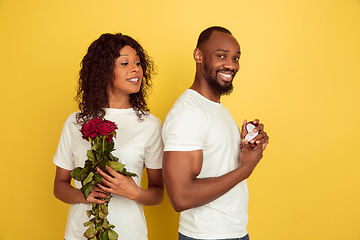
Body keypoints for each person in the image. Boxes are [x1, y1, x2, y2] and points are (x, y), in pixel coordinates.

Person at [53, 33, 164, 240]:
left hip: (130, 234)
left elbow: (158, 193)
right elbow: (59, 186)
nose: (135, 68)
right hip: (79, 234)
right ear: (104, 71)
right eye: (125, 62)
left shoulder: (151, 126)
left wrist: (134, 192)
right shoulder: (75, 122)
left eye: (138, 63)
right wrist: (83, 195)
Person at [162, 26, 269, 240]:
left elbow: (217, 162)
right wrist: (246, 168)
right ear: (198, 55)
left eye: (236, 58)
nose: (231, 65)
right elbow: (181, 197)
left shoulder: (216, 108)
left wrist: (247, 148)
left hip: (233, 232)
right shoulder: (188, 113)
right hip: (206, 236)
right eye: (221, 56)